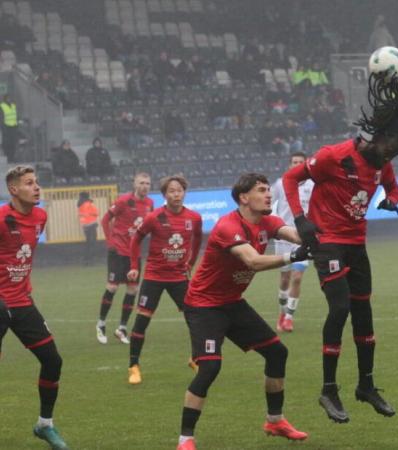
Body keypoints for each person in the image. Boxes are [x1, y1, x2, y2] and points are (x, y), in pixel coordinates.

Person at [283, 69, 398, 423]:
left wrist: (391, 199)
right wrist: (300, 219)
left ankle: (366, 386)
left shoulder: (381, 162)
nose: (391, 157)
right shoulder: (334, 156)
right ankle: (328, 390)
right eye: (390, 148)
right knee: (339, 308)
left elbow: (393, 186)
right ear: (377, 138)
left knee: (364, 313)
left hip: (357, 244)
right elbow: (290, 178)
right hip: (327, 243)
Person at [176, 173, 309, 450]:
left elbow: (296, 236)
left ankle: (275, 420)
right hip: (204, 306)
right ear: (244, 198)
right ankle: (185, 439)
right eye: (262, 190)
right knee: (210, 366)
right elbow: (254, 261)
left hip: (231, 302)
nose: (269, 194)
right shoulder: (228, 226)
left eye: (268, 190)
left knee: (277, 352)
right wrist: (292, 256)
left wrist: (313, 237)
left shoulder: (268, 221)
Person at [0, 166, 69, 449]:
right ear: (14, 190)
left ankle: (45, 425)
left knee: (53, 361)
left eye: (37, 182)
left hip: (22, 303)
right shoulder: (2, 219)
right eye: (30, 183)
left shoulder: (41, 216)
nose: (37, 187)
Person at [126, 175, 203, 385]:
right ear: (164, 195)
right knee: (142, 321)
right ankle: (134, 366)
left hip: (179, 277)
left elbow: (198, 239)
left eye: (179, 190)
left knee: (196, 319)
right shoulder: (154, 217)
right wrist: (134, 266)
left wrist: (191, 262)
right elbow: (136, 239)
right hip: (154, 277)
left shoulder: (194, 218)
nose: (176, 194)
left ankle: (195, 358)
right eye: (172, 191)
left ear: (184, 192)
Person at [96, 173, 154, 345]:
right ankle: (101, 324)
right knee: (113, 287)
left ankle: (121, 329)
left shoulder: (150, 204)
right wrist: (109, 242)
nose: (145, 186)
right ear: (134, 184)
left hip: (134, 254)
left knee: (132, 290)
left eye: (148, 183)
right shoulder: (123, 201)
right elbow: (106, 220)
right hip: (118, 251)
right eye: (141, 183)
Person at [271, 152, 314, 332]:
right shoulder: (281, 184)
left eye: (300, 162)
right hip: (283, 236)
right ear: (289, 165)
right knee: (285, 279)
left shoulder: (312, 185)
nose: (296, 164)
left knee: (297, 278)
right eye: (294, 162)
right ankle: (282, 312)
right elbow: (269, 204)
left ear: (305, 165)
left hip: (302, 238)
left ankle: (289, 318)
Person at [78, 191, 99, 265]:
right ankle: (90, 259)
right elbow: (96, 213)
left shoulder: (80, 205)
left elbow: (82, 216)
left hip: (86, 226)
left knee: (88, 243)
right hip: (92, 225)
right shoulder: (89, 204)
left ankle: (86, 259)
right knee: (92, 243)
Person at [1, 94, 19, 162]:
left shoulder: (13, 106)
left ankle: (12, 157)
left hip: (13, 127)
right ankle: (8, 157)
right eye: (8, 98)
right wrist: (3, 127)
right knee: (7, 144)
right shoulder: (2, 106)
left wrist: (17, 125)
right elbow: (1, 117)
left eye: (10, 98)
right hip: (6, 127)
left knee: (13, 143)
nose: (10, 99)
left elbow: (15, 116)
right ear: (5, 99)